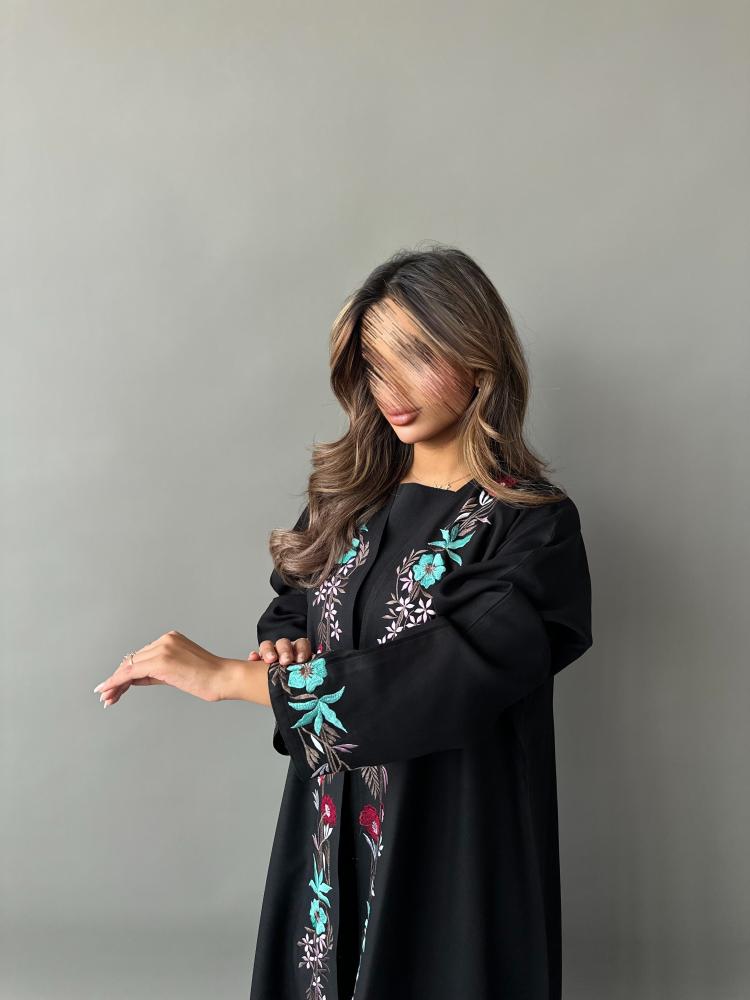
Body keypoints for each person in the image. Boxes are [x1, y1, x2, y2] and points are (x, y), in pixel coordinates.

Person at [93, 244, 593, 1000]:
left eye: (415, 357)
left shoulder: (532, 526)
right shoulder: (351, 501)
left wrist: (229, 679)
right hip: (327, 834)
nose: (390, 389)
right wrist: (281, 646)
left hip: (451, 844)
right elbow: (296, 599)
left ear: (476, 354)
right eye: (374, 365)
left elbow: (452, 674)